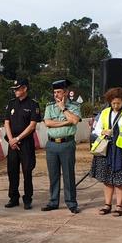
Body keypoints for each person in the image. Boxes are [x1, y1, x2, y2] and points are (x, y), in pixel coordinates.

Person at [90, 87, 122, 216]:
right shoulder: (105, 112)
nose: (116, 105)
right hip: (107, 149)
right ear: (110, 101)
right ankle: (107, 204)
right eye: (113, 103)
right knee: (107, 178)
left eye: (118, 103)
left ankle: (119, 205)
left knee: (120, 180)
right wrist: (103, 131)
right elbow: (97, 129)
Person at [42, 79, 81, 213]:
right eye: (54, 92)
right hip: (52, 144)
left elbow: (75, 120)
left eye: (59, 92)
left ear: (66, 93)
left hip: (67, 144)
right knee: (53, 175)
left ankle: (71, 203)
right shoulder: (49, 106)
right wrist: (65, 122)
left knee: (68, 175)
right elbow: (47, 123)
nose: (56, 95)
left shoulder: (74, 106)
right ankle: (53, 201)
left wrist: (63, 109)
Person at [4, 78, 41, 209]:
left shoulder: (33, 104)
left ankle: (27, 199)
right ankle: (13, 198)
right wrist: (11, 140)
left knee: (27, 171)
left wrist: (18, 138)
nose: (15, 91)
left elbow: (32, 126)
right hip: (12, 144)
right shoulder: (11, 103)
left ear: (25, 88)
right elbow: (6, 122)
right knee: (12, 171)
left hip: (25, 143)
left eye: (17, 89)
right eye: (14, 89)